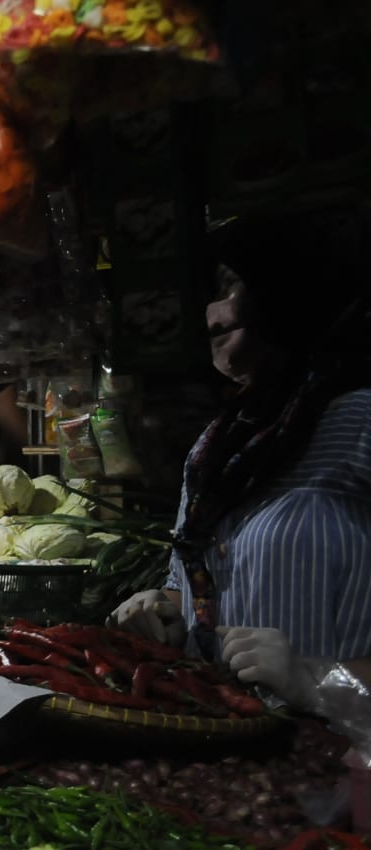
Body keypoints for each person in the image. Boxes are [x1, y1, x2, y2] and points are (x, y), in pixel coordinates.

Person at [108, 210, 371, 713]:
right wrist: (161, 609)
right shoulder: (219, 446)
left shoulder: (360, 422)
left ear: (296, 297)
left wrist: (317, 679)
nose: (215, 315)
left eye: (237, 289)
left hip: (346, 771)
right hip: (234, 757)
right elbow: (196, 584)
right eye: (215, 291)